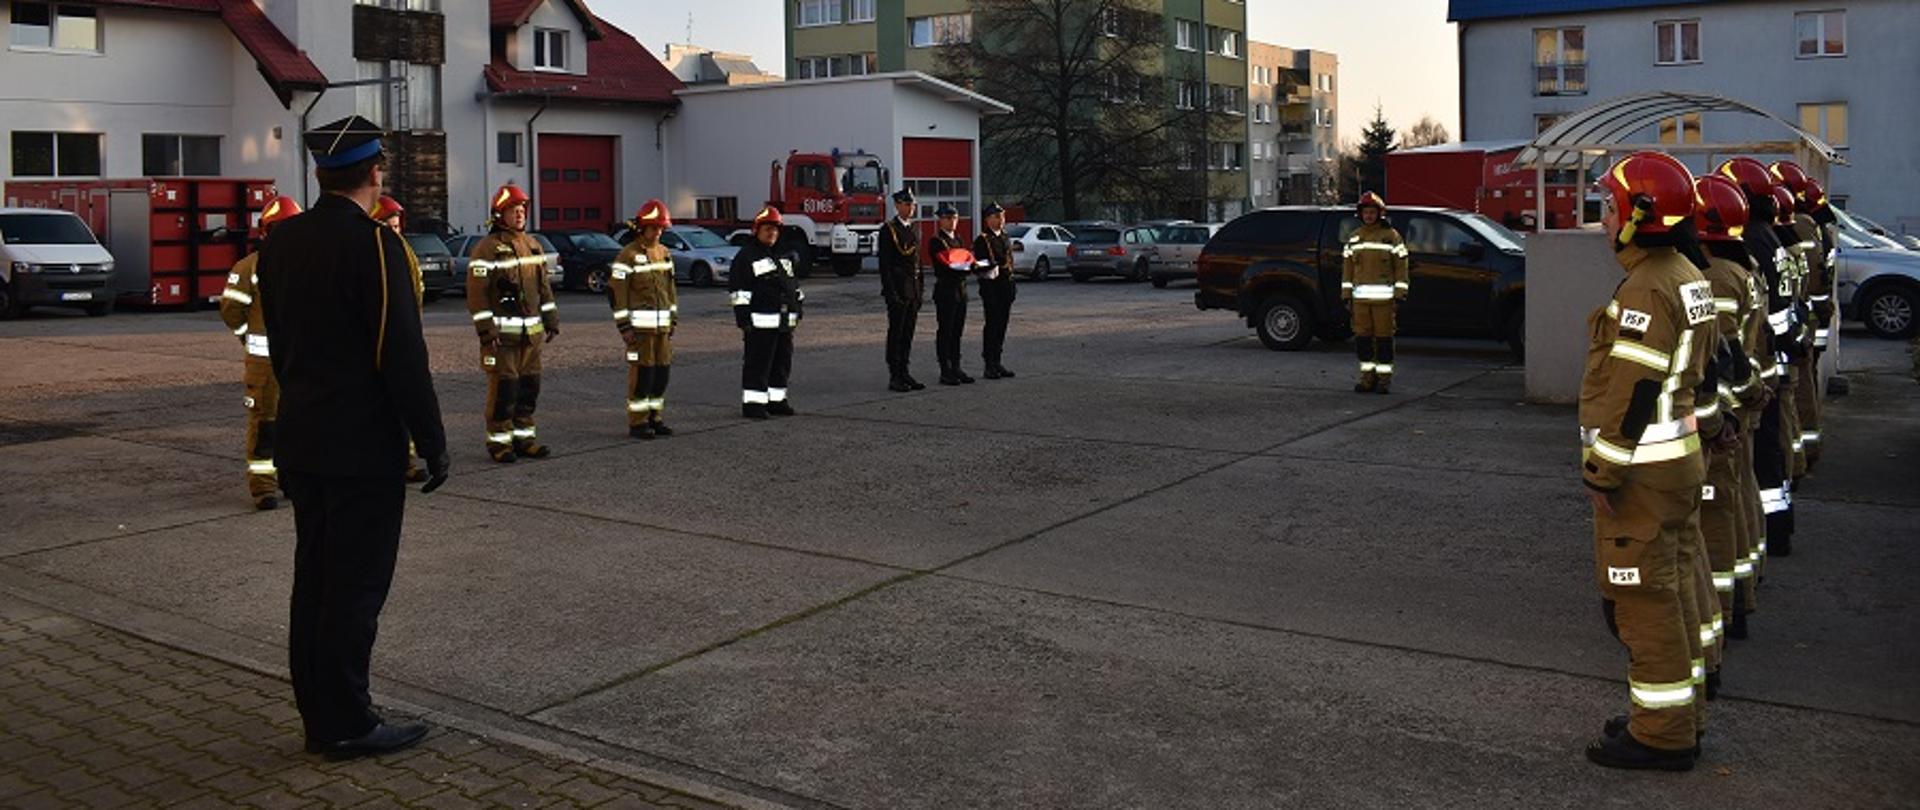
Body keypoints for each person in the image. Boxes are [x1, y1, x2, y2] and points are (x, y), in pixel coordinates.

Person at [256, 114, 448, 759]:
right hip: (361, 447)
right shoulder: (377, 244)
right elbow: (400, 355)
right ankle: (346, 722)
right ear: (375, 172)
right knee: (354, 589)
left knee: (313, 583)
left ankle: (322, 711)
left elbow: (279, 347)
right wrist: (431, 438)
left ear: (317, 173)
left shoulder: (281, 243)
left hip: (303, 438)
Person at [1579, 151, 1715, 771]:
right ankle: (1674, 716)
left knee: (1643, 603)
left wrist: (1603, 470)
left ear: (1640, 216)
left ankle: (1661, 736)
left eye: (1609, 208)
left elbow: (1633, 391)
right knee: (1676, 589)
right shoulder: (1686, 272)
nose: (1603, 219)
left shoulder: (1646, 285)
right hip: (1678, 468)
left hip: (1643, 476)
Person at [218, 195, 302, 510]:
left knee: (297, 424)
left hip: (299, 363)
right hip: (266, 366)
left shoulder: (308, 264)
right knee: (266, 425)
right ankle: (264, 488)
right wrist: (249, 338)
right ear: (266, 232)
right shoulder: (248, 267)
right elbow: (231, 311)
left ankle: (291, 480)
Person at [466, 184, 559, 462]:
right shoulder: (487, 249)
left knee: (529, 389)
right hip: (501, 341)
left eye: (521, 210)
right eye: (513, 210)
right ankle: (499, 444)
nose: (519, 215)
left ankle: (524, 439)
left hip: (531, 339)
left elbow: (544, 288)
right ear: (499, 214)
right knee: (504, 392)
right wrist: (486, 331)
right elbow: (477, 294)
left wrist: (551, 319)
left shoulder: (533, 246)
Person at [371, 194, 429, 484]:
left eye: (397, 227)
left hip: (401, 341)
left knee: (402, 403)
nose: (395, 232)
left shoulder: (406, 253)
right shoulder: (368, 254)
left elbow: (415, 295)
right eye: (388, 227)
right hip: (373, 345)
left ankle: (406, 461)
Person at [609, 200, 679, 439]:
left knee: (661, 375)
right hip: (639, 332)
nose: (658, 232)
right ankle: (638, 422)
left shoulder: (664, 253)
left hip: (662, 331)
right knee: (642, 376)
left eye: (661, 228)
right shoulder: (627, 255)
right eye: (654, 228)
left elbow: (670, 290)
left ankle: (655, 417)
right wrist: (624, 326)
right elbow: (617, 294)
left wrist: (673, 319)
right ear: (641, 228)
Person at [730, 206, 803, 418]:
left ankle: (777, 400)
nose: (771, 233)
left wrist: (797, 309)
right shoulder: (747, 257)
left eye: (775, 229)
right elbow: (739, 291)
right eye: (767, 229)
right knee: (758, 364)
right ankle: (753, 405)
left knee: (782, 364)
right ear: (757, 230)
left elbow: (793, 286)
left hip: (783, 323)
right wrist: (743, 319)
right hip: (759, 324)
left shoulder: (783, 256)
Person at [1341, 192, 1409, 394]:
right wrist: (1346, 295)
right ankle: (1366, 378)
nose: (1369, 216)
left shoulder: (1391, 237)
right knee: (1362, 341)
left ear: (1379, 214)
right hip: (1360, 302)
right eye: (1366, 212)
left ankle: (1384, 380)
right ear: (1360, 214)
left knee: (1384, 341)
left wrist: (1400, 292)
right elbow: (1347, 270)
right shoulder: (1354, 238)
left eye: (1372, 212)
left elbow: (1401, 266)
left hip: (1385, 303)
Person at [878, 188, 926, 392]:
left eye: (912, 204)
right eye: (907, 204)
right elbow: (885, 265)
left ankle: (905, 371)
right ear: (897, 206)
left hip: (912, 289)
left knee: (908, 333)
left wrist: (920, 290)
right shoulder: (889, 229)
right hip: (898, 288)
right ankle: (895, 375)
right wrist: (891, 293)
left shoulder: (915, 229)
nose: (910, 208)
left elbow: (918, 262)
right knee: (896, 333)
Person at [928, 204, 974, 385]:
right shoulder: (937, 240)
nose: (952, 222)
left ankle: (956, 366)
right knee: (945, 330)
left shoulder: (959, 239)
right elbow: (947, 264)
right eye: (948, 218)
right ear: (941, 220)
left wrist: (967, 265)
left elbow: (965, 261)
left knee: (957, 331)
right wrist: (963, 264)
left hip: (960, 290)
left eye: (954, 218)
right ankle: (945, 369)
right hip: (946, 290)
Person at [974, 202, 1018, 379]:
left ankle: (997, 361)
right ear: (987, 219)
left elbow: (1009, 262)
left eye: (1002, 216)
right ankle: (989, 364)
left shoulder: (1005, 237)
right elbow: (980, 266)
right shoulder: (983, 240)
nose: (1000, 220)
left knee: (1002, 326)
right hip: (991, 288)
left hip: (1006, 287)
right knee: (992, 326)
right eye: (996, 217)